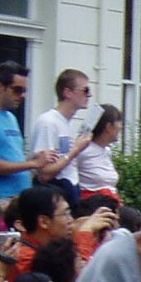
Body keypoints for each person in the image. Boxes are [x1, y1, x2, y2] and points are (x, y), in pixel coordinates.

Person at [0, 60, 56, 202]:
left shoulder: (11, 117)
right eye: (17, 90)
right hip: (1, 197)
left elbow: (12, 158)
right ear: (0, 86)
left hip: (20, 196)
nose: (22, 96)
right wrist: (32, 164)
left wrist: (33, 160)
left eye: (24, 91)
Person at [28, 68, 93, 206]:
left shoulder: (65, 123)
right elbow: (44, 172)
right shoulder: (48, 122)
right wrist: (76, 149)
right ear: (68, 92)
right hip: (57, 195)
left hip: (70, 190)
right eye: (85, 90)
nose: (89, 95)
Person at [74, 104, 123, 202]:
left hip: (110, 201)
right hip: (92, 205)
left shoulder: (107, 151)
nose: (121, 127)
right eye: (118, 122)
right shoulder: (84, 150)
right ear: (108, 127)